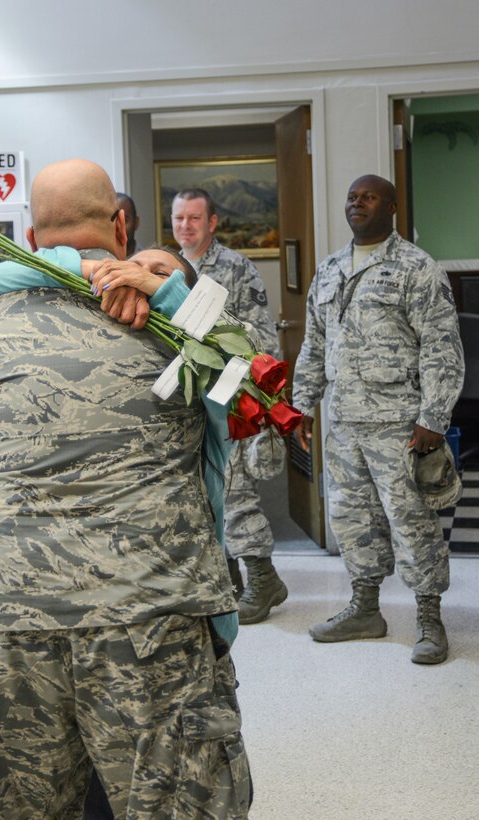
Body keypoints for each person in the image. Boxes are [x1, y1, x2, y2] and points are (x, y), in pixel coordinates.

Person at [0, 159, 250, 819]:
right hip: (149, 609)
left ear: (31, 236)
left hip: (9, 614)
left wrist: (95, 275)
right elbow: (245, 378)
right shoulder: (173, 337)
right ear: (120, 223)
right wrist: (162, 295)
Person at [293, 174, 465, 665]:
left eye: (368, 197)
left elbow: (441, 346)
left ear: (391, 206)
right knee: (351, 518)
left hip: (400, 424)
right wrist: (302, 405)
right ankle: (365, 608)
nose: (356, 203)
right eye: (351, 197)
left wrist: (433, 415)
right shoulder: (328, 270)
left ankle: (429, 617)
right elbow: (314, 345)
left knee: (413, 522)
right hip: (343, 422)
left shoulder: (415, 267)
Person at [171, 187, 287, 624]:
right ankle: (228, 580)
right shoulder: (166, 268)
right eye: (179, 218)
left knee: (236, 494)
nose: (186, 226)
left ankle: (263, 579)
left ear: (212, 222)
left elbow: (262, 340)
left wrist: (215, 342)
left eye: (194, 218)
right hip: (184, 402)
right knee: (201, 496)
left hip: (229, 398)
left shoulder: (237, 268)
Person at [116, 191, 142, 257]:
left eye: (125, 220)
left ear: (136, 222)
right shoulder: (97, 262)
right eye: (114, 220)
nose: (118, 227)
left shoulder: (147, 261)